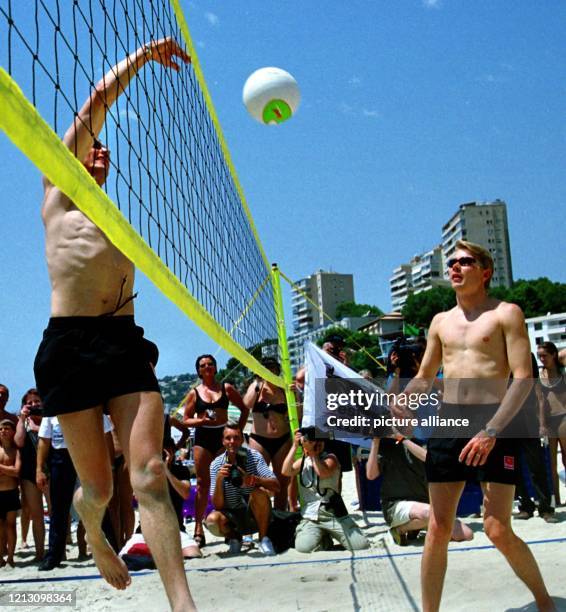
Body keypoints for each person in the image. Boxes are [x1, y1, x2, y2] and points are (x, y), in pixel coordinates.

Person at [32, 36, 195, 608]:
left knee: (148, 471)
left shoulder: (119, 223)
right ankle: (89, 519)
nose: (99, 151)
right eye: (90, 145)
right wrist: (145, 57)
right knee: (97, 486)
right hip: (70, 343)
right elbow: (98, 96)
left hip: (121, 341)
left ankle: (182, 603)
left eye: (103, 150)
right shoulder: (57, 196)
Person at [393, 240, 554, 611]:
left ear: (485, 272)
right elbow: (425, 375)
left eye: (465, 262)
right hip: (451, 418)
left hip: (494, 420)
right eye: (452, 262)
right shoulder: (440, 321)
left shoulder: (505, 314)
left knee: (496, 528)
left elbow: (523, 378)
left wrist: (492, 431)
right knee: (438, 527)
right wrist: (404, 399)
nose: (455, 267)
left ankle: (545, 603)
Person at [182, 354, 248, 548]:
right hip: (203, 437)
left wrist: (238, 432)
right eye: (203, 365)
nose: (207, 367)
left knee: (228, 480)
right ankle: (198, 529)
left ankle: (230, 525)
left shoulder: (226, 388)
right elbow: (186, 419)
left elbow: (244, 409)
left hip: (222, 436)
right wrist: (201, 421)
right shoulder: (195, 393)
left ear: (216, 368)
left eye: (210, 364)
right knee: (203, 483)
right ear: (199, 371)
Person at [36, 414, 115, 570]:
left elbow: (106, 435)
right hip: (61, 458)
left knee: (98, 502)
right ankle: (54, 556)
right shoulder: (51, 412)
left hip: (88, 454)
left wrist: (109, 464)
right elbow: (44, 441)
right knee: (59, 509)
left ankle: (112, 549)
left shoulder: (91, 406)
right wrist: (39, 469)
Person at [366, 435, 473, 545]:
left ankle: (409, 527)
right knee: (430, 512)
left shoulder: (421, 444)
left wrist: (402, 439)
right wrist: (375, 442)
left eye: (406, 417)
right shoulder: (385, 446)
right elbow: (371, 475)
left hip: (424, 507)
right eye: (398, 417)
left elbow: (430, 460)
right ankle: (399, 530)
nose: (403, 421)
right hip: (395, 506)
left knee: (466, 534)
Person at [282, 428, 368, 553]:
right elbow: (285, 471)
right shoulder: (303, 462)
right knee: (303, 548)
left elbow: (323, 473)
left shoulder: (331, 458)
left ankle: (329, 535)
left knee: (361, 545)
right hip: (311, 516)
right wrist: (294, 446)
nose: (312, 444)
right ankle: (324, 540)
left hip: (333, 513)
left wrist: (313, 454)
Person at [206, 422, 279, 555]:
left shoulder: (254, 457)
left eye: (236, 437)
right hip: (233, 516)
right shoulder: (216, 465)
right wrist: (219, 479)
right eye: (228, 438)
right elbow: (217, 505)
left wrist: (253, 479)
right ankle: (235, 538)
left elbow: (276, 486)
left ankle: (263, 539)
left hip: (254, 514)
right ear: (223, 441)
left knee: (259, 492)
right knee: (212, 521)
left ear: (242, 440)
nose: (232, 442)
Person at [243, 357, 292, 510]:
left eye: (272, 368)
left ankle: (280, 516)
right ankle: (259, 517)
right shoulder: (256, 386)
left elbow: (298, 413)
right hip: (260, 440)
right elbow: (246, 405)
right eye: (266, 368)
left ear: (277, 370)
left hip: (282, 439)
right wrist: (258, 384)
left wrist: (295, 395)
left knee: (282, 481)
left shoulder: (283, 388)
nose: (270, 371)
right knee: (257, 482)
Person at [514, 354, 557, 522]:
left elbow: (540, 398)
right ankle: (525, 506)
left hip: (529, 422)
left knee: (537, 467)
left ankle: (545, 508)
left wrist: (542, 425)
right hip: (509, 423)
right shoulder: (502, 363)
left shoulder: (530, 373)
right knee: (513, 469)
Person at [14, 389, 46, 562]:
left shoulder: (50, 419)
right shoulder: (23, 422)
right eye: (30, 403)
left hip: (49, 471)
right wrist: (22, 419)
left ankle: (59, 551)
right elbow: (18, 441)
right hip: (29, 474)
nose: (34, 405)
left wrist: (38, 427)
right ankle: (40, 553)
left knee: (56, 514)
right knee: (36, 515)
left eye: (37, 401)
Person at [537, 341, 566, 507]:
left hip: (564, 416)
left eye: (545, 355)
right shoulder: (540, 375)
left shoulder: (562, 371)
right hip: (549, 420)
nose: (542, 359)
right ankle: (557, 498)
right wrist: (541, 424)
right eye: (540, 356)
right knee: (551, 462)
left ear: (554, 354)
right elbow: (540, 401)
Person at [0, 419, 21, 567]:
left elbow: (16, 471)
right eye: (1, 429)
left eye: (7, 428)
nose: (3, 431)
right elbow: (12, 470)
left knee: (11, 526)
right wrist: (8, 470)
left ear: (13, 431)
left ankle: (11, 557)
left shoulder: (16, 451)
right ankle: (1, 556)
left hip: (11, 493)